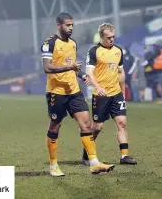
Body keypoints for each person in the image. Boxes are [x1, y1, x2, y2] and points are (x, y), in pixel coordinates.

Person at [41, 12, 115, 177]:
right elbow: (47, 67)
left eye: (72, 25)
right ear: (59, 25)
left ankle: (94, 163)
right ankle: (53, 166)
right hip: (56, 92)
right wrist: (70, 68)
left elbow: (73, 67)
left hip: (74, 91)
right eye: (68, 25)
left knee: (86, 124)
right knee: (55, 126)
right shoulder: (49, 43)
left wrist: (82, 75)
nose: (71, 28)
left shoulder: (73, 43)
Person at [83, 23, 137, 165]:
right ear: (101, 37)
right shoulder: (93, 51)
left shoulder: (118, 51)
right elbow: (89, 73)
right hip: (100, 95)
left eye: (113, 37)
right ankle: (86, 152)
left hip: (116, 94)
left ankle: (124, 156)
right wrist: (98, 87)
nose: (111, 40)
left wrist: (123, 91)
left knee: (122, 123)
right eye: (108, 37)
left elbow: (120, 72)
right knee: (97, 127)